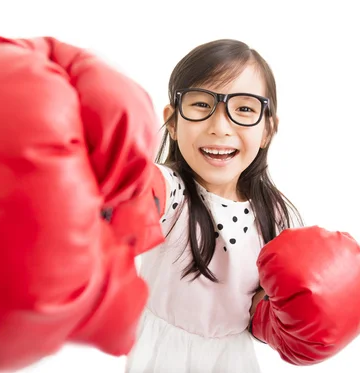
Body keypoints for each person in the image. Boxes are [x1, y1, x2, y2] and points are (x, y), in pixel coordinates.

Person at [125, 39, 304, 373]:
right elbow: (140, 190)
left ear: (268, 130)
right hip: (163, 356)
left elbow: (257, 304)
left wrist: (295, 319)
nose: (220, 127)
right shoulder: (172, 192)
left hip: (232, 360)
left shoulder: (274, 214)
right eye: (201, 104)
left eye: (245, 109)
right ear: (173, 122)